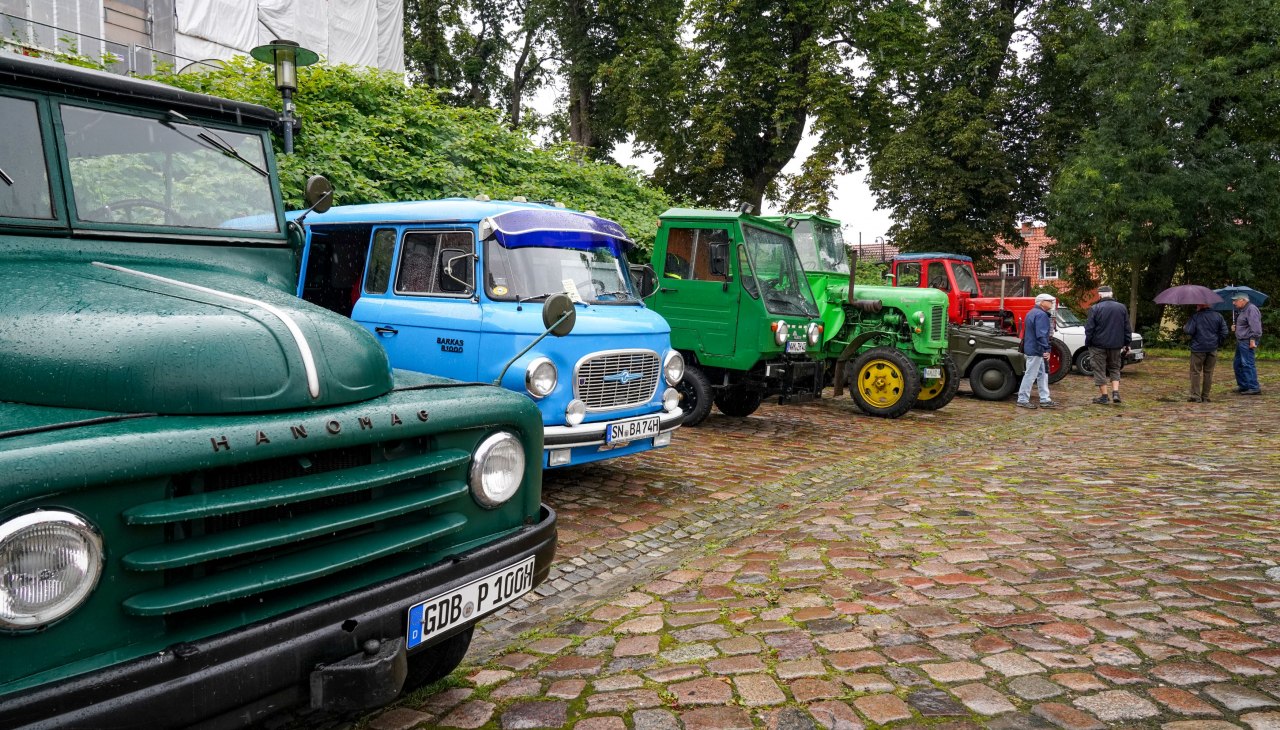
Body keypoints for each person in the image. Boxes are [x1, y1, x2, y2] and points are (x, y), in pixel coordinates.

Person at [1084, 285, 1131, 404]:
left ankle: (1104, 396)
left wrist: (1088, 342)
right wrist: (1127, 343)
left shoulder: (1095, 308)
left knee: (1099, 369)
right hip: (1116, 344)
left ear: (1100, 295)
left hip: (1098, 344)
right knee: (1115, 367)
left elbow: (1089, 328)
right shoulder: (1122, 308)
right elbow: (1127, 327)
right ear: (1111, 294)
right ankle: (1115, 392)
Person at [1016, 293, 1058, 409]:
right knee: (1032, 374)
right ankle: (1023, 399)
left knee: (1042, 374)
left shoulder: (1032, 313)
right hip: (1037, 349)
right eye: (1048, 301)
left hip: (1033, 348)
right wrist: (1046, 349)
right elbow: (1041, 335)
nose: (1051, 303)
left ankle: (1045, 398)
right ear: (1042, 302)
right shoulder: (1041, 315)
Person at [1183, 303, 1228, 402]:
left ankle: (1195, 396)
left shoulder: (1196, 316)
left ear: (1201, 305)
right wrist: (1217, 342)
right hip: (1212, 348)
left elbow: (1189, 330)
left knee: (1195, 372)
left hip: (1198, 348)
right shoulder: (1218, 316)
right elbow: (1224, 332)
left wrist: (1185, 326)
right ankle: (1205, 396)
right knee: (1208, 373)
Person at [1231, 292, 1263, 395]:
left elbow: (1256, 328)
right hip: (1241, 341)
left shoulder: (1251, 309)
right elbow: (1245, 325)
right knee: (1238, 364)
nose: (1234, 302)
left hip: (1247, 341)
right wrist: (1236, 328)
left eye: (1235, 300)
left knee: (1248, 364)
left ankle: (1254, 387)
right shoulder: (1243, 310)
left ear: (1243, 300)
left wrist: (1253, 339)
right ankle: (1244, 385)